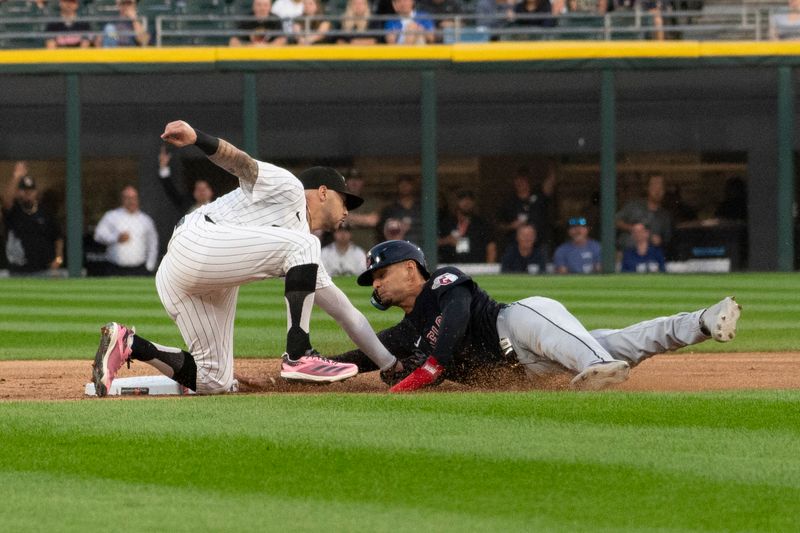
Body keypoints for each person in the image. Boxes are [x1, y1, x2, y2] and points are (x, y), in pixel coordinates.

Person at [91, 120, 400, 397]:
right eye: (344, 200)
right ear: (322, 191)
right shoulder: (291, 189)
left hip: (190, 277)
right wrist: (198, 137)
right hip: (197, 241)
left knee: (214, 380)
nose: (347, 211)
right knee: (306, 244)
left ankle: (128, 343)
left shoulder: (301, 252)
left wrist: (391, 364)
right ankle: (298, 355)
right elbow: (242, 164)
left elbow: (346, 314)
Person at [332, 240, 742, 392]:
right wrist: (321, 366)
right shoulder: (409, 331)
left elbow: (456, 313)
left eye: (380, 274)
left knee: (591, 353)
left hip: (519, 324)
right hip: (529, 372)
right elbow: (365, 354)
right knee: (622, 343)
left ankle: (597, 369)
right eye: (372, 280)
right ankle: (702, 322)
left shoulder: (444, 279)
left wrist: (434, 365)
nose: (376, 285)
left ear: (409, 268)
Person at [2, 162, 64, 276]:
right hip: (17, 269)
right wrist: (17, 177)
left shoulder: (45, 212)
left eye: (30, 190)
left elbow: (58, 237)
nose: (27, 193)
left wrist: (58, 259)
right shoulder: (14, 210)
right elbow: (6, 200)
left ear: (36, 192)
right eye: (24, 190)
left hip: (44, 269)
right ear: (18, 192)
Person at [93, 185, 159, 276]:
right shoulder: (111, 216)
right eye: (127, 198)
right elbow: (98, 235)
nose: (131, 201)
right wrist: (116, 238)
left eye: (133, 198)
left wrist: (150, 266)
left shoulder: (146, 220)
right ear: (122, 199)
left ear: (137, 199)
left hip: (139, 270)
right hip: (115, 268)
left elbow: (152, 244)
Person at [495, 166, 554, 255]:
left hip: (539, 245)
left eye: (523, 180)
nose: (520, 183)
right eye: (517, 180)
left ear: (529, 181)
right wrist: (511, 226)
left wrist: (552, 163)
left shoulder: (539, 196)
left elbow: (551, 182)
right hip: (515, 246)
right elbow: (498, 225)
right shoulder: (508, 202)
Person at [615, 173, 673, 252]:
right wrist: (633, 229)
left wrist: (659, 241)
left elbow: (667, 240)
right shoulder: (633, 205)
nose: (657, 190)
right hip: (625, 254)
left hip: (650, 258)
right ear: (647, 188)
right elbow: (615, 221)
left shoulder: (665, 216)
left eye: (661, 186)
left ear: (664, 190)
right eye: (654, 185)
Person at [437, 189, 497, 264]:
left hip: (476, 268)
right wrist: (447, 240)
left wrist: (488, 270)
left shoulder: (482, 224)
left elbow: (491, 247)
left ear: (474, 203)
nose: (467, 202)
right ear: (456, 202)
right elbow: (432, 243)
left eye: (470, 199)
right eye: (463, 199)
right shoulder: (446, 223)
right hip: (450, 268)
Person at [157, 145, 215, 215]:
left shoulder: (219, 209)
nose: (202, 192)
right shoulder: (186, 207)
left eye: (205, 188)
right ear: (194, 193)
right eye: (198, 188)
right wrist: (163, 167)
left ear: (211, 191)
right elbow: (171, 191)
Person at [343, 169, 382, 249]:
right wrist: (362, 219)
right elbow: (333, 218)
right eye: (351, 179)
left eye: (357, 179)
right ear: (346, 182)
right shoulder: (338, 201)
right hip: (342, 250)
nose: (354, 182)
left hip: (366, 247)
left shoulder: (371, 202)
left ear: (362, 182)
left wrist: (347, 217)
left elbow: (372, 221)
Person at [378, 174, 422, 244]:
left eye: (407, 184)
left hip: (422, 248)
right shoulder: (390, 209)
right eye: (402, 184)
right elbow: (383, 233)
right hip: (399, 248)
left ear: (413, 186)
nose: (404, 187)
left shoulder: (422, 208)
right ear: (397, 186)